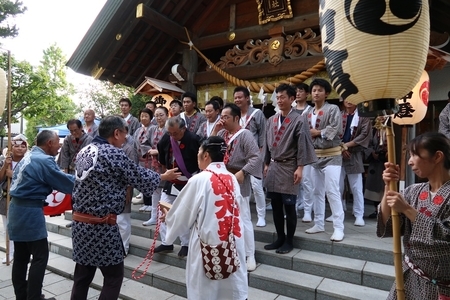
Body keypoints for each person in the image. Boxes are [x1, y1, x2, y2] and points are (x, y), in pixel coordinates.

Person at [69, 116, 180, 300]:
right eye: (125, 134)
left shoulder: (85, 150)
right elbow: (138, 176)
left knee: (82, 276)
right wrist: (163, 176)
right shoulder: (112, 153)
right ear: (116, 133)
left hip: (80, 224)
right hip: (101, 226)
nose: (125, 139)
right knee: (113, 277)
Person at [161, 136, 248, 300]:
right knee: (231, 288)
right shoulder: (232, 178)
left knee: (205, 289)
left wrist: (168, 217)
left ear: (206, 155)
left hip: (206, 245)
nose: (197, 156)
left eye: (199, 152)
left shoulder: (198, 180)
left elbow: (181, 214)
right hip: (232, 244)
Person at [378, 132, 450, 299]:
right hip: (408, 277)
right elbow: (389, 225)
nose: (410, 161)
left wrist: (407, 209)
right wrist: (389, 187)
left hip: (439, 288)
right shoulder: (413, 191)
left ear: (437, 156)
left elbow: (446, 237)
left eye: (415, 155)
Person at [8, 130, 75, 300]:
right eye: (57, 142)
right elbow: (64, 182)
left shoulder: (30, 156)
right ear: (49, 143)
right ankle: (34, 296)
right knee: (40, 256)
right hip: (29, 212)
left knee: (21, 257)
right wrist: (86, 180)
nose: (59, 145)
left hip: (16, 209)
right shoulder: (44, 160)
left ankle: (22, 296)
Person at [264, 84, 316, 254]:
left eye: (283, 97)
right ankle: (279, 237)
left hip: (289, 166)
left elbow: (302, 144)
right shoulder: (271, 119)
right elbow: (266, 144)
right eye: (277, 97)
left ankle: (289, 240)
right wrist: (265, 164)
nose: (279, 100)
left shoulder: (299, 119)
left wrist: (300, 167)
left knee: (289, 206)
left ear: (292, 99)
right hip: (273, 165)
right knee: (276, 205)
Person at [212, 103, 263, 271]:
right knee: (224, 217)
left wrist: (243, 171)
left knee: (244, 218)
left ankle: (250, 255)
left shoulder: (246, 135)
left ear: (236, 118)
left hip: (239, 180)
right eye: (222, 116)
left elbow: (255, 157)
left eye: (226, 117)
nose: (223, 120)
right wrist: (214, 131)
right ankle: (231, 250)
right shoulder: (220, 133)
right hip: (221, 180)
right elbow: (209, 150)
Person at [305, 78, 345, 242]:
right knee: (317, 191)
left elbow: (336, 128)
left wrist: (318, 132)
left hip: (332, 155)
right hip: (316, 155)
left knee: (332, 190)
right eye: (314, 90)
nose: (316, 93)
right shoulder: (308, 113)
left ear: (326, 93)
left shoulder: (333, 108)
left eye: (320, 90)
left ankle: (338, 228)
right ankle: (319, 223)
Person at [154, 117, 201, 257]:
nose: (173, 136)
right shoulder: (166, 139)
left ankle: (186, 244)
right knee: (163, 210)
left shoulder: (194, 139)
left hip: (189, 180)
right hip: (171, 180)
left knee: (185, 213)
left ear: (183, 129)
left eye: (175, 133)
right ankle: (166, 242)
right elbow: (162, 159)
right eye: (170, 133)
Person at [233, 86, 267, 227]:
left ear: (247, 98)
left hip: (254, 156)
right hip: (239, 158)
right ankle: (243, 214)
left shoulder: (257, 114)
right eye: (235, 98)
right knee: (241, 187)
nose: (237, 100)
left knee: (256, 186)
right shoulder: (234, 114)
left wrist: (262, 158)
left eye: (240, 97)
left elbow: (263, 136)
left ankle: (261, 215)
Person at [336, 99, 371, 226]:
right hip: (337, 154)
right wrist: (341, 147)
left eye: (352, 98)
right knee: (337, 186)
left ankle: (359, 214)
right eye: (346, 99)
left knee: (356, 187)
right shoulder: (338, 115)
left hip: (354, 154)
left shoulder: (363, 116)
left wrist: (346, 146)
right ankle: (337, 212)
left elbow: (364, 135)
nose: (349, 101)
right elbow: (332, 132)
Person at [0, 134, 28, 264]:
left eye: (23, 146)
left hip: (22, 198)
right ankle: (9, 253)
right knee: (8, 228)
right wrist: (5, 166)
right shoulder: (5, 160)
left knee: (22, 227)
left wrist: (14, 174)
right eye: (16, 146)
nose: (20, 149)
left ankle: (21, 253)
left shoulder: (28, 162)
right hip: (7, 197)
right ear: (11, 147)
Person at [142, 106, 169, 226]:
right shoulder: (152, 129)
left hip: (166, 164)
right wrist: (150, 151)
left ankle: (165, 217)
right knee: (155, 190)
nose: (159, 118)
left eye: (161, 115)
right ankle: (154, 216)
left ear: (167, 115)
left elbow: (172, 146)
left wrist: (158, 152)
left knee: (166, 193)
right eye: (157, 115)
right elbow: (144, 143)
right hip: (154, 165)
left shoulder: (170, 129)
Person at [293, 83, 315, 219]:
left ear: (307, 94)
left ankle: (307, 211)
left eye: (301, 91)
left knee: (307, 182)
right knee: (293, 182)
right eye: (296, 91)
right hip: (292, 151)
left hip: (306, 149)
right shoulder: (291, 110)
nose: (298, 93)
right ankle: (293, 208)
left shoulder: (311, 110)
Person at [118, 132, 138, 256]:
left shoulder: (129, 149)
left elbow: (132, 172)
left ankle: (123, 248)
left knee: (122, 221)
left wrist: (129, 190)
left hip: (125, 188)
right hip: (112, 189)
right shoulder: (111, 148)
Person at [364, 116, 388, 218]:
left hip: (386, 162)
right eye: (378, 119)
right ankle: (376, 210)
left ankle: (385, 210)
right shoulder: (373, 130)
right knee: (374, 187)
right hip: (375, 162)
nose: (380, 120)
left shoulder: (389, 129)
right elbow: (367, 144)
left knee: (385, 187)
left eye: (382, 118)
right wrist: (372, 152)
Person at [133, 108, 155, 213]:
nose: (143, 118)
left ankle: (151, 203)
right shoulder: (138, 130)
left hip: (151, 160)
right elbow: (134, 144)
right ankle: (146, 203)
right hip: (141, 160)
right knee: (143, 181)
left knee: (150, 180)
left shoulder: (154, 128)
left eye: (146, 116)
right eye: (142, 116)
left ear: (151, 117)